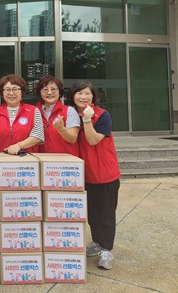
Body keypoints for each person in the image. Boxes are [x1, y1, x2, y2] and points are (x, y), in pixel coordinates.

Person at [67, 80, 120, 271]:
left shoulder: (102, 115)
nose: (83, 97)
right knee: (92, 214)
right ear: (73, 96)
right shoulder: (72, 115)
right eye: (79, 93)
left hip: (105, 174)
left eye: (87, 93)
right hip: (85, 175)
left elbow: (92, 140)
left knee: (106, 215)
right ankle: (97, 242)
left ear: (93, 96)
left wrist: (88, 120)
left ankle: (106, 249)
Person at [0, 74, 43, 154]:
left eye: (15, 89)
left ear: (22, 91)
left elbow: (37, 136)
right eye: (7, 90)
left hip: (27, 158)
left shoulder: (33, 111)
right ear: (2, 92)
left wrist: (19, 146)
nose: (11, 93)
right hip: (1, 157)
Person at [34, 75, 80, 156]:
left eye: (53, 89)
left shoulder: (69, 111)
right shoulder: (33, 112)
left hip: (65, 160)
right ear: (39, 92)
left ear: (60, 92)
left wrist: (61, 129)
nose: (49, 92)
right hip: (41, 159)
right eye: (45, 89)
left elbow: (72, 139)